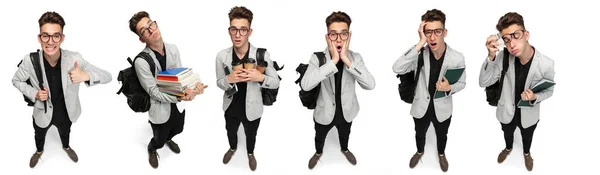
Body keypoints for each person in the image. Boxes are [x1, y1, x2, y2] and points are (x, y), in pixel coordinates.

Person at [12, 11, 113, 168]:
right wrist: (35, 94)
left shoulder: (74, 59)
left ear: (62, 38)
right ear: (39, 38)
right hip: (41, 111)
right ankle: (39, 151)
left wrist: (85, 75)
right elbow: (16, 80)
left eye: (56, 36)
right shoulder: (29, 61)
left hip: (66, 112)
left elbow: (107, 76)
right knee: (39, 135)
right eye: (45, 36)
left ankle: (66, 147)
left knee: (65, 133)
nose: (50, 42)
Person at [128, 11, 207, 168]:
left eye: (151, 24)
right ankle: (152, 148)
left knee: (178, 128)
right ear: (141, 38)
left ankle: (169, 139)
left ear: (155, 23)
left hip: (178, 105)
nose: (151, 29)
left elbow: (180, 77)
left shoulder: (173, 49)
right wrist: (180, 96)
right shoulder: (141, 62)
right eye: (144, 30)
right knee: (159, 138)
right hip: (159, 109)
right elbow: (154, 92)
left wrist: (194, 87)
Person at [479, 12, 555, 171]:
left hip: (529, 113)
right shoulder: (503, 57)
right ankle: (508, 148)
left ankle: (527, 153)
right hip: (506, 110)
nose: (511, 44)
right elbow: (484, 82)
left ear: (526, 35)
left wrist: (535, 97)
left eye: (516, 35)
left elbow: (549, 90)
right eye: (506, 39)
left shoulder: (546, 64)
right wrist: (491, 56)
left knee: (527, 136)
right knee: (507, 133)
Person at [392, 9, 466, 172]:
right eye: (428, 32)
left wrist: (449, 88)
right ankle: (420, 151)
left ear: (445, 32)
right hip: (421, 106)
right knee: (419, 133)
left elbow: (462, 83)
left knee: (442, 134)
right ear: (423, 33)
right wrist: (419, 43)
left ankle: (441, 154)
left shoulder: (457, 57)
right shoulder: (418, 54)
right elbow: (396, 67)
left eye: (437, 31)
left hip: (443, 106)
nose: (432, 37)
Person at [301, 11, 375, 170]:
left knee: (345, 134)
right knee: (319, 136)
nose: (339, 39)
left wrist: (347, 61)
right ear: (327, 37)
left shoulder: (356, 58)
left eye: (343, 34)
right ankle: (318, 152)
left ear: (349, 35)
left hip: (347, 110)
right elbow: (306, 85)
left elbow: (370, 85)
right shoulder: (318, 58)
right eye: (333, 34)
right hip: (324, 110)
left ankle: (344, 149)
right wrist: (333, 61)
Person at [215, 6, 280, 171]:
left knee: (251, 135)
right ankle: (232, 148)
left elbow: (276, 82)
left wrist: (261, 78)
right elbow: (219, 82)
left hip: (254, 107)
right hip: (231, 106)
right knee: (231, 131)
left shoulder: (261, 55)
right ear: (229, 30)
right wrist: (228, 79)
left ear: (250, 31)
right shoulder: (222, 56)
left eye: (243, 30)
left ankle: (250, 153)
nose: (238, 35)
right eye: (234, 29)